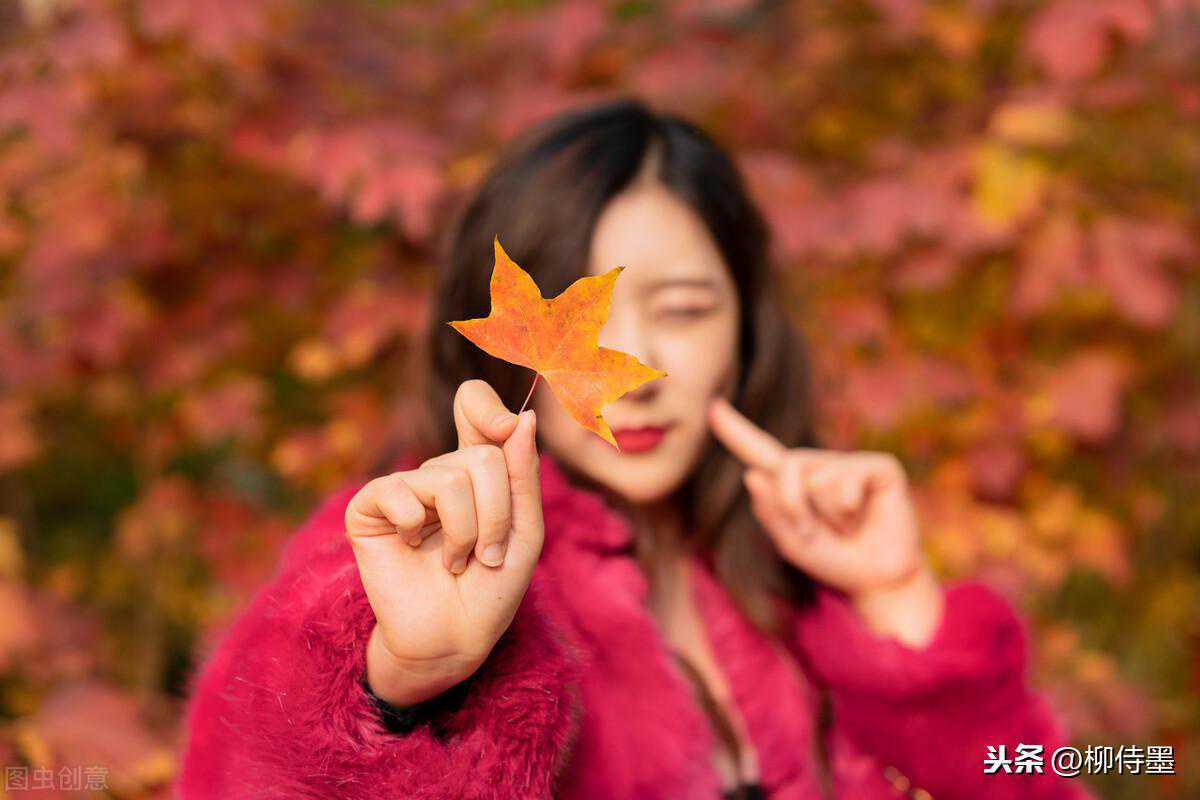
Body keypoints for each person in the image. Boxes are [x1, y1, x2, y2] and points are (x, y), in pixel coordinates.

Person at [177, 99, 1095, 799]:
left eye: (685, 310)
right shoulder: (393, 565)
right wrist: (403, 686)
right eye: (588, 321)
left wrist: (896, 607)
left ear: (746, 324)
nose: (636, 372)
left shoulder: (799, 576)